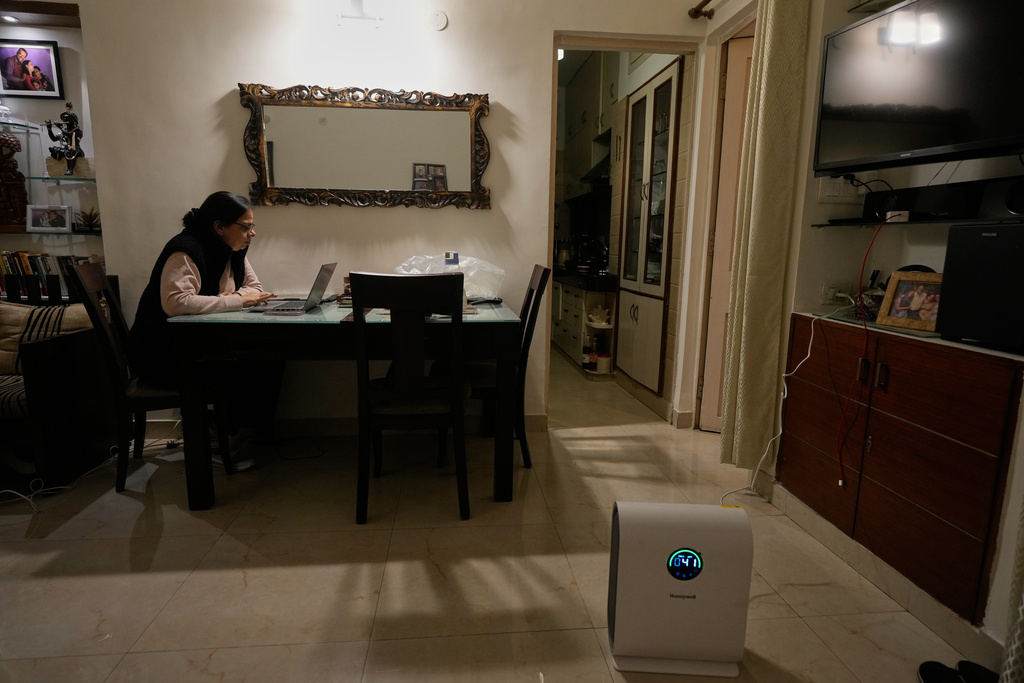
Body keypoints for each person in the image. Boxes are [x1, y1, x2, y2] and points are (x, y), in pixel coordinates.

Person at [128, 191, 278, 464]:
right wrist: (235, 300)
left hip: (196, 347)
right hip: (162, 355)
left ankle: (238, 440)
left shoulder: (233, 250)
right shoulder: (185, 250)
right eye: (246, 227)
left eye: (252, 226)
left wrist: (225, 299)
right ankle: (224, 445)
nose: (252, 234)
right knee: (249, 365)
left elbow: (255, 289)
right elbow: (175, 304)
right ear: (219, 227)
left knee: (271, 358)